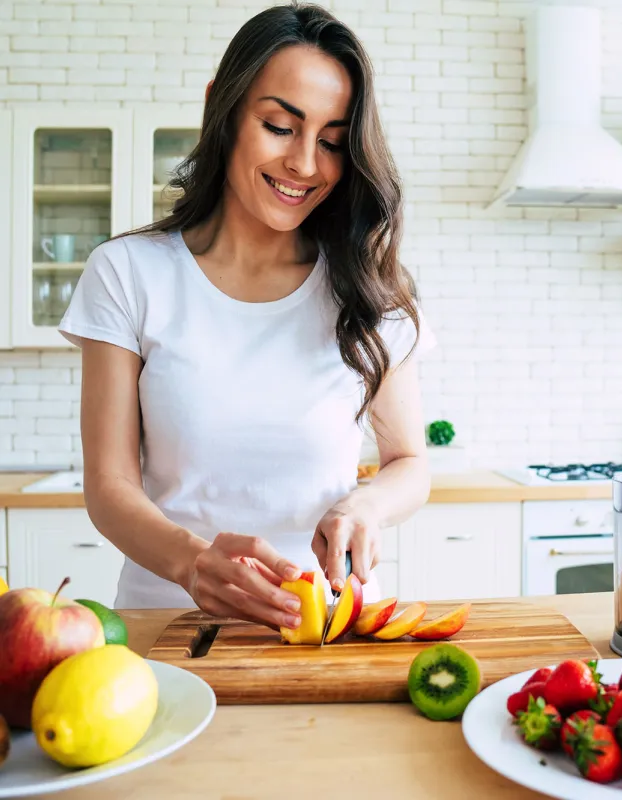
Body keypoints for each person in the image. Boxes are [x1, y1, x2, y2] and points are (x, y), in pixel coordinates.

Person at [58, 2, 436, 631]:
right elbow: (109, 485)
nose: (305, 164)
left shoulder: (368, 288)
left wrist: (365, 507)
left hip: (325, 626)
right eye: (280, 126)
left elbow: (409, 464)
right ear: (221, 108)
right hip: (168, 627)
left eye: (333, 142)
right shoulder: (128, 273)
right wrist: (192, 563)